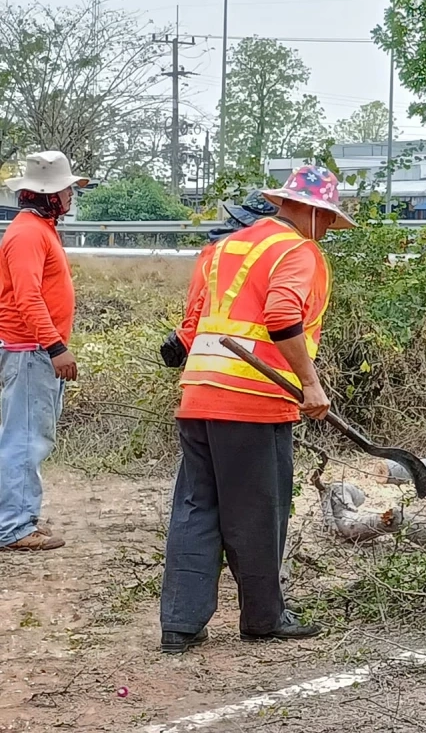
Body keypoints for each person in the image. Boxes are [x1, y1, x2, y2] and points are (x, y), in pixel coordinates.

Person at [159, 165, 353, 653]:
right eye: (328, 220)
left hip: (199, 394)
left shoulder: (224, 248)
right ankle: (264, 619)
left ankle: (180, 626)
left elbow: (190, 326)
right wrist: (311, 384)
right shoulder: (297, 250)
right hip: (254, 400)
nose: (328, 231)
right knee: (258, 514)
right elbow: (282, 315)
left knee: (195, 509)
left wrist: (182, 346)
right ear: (310, 211)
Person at [0, 151, 87, 552]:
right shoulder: (29, 234)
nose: (71, 195)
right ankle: (14, 525)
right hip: (31, 348)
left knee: (26, 433)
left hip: (31, 347)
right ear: (49, 195)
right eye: (66, 189)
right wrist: (55, 346)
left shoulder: (36, 229)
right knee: (25, 436)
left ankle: (19, 513)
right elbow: (26, 296)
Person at [158, 191, 280, 369]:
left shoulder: (214, 248)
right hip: (230, 351)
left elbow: (198, 304)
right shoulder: (238, 254)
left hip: (203, 345)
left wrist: (186, 337)